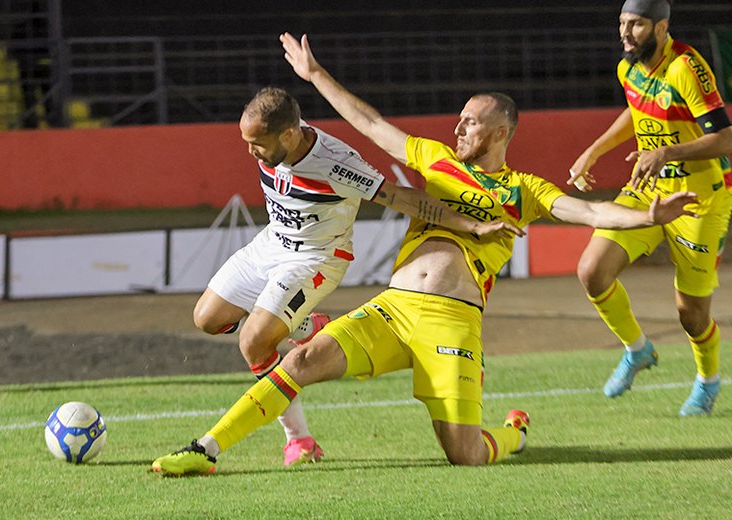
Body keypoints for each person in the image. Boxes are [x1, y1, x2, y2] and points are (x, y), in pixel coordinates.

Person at [150, 34, 698, 476]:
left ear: (500, 130)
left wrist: (647, 217)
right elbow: (371, 125)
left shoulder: (524, 190)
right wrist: (315, 76)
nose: (457, 126)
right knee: (297, 360)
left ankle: (515, 431)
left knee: (463, 453)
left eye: (470, 121)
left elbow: (589, 213)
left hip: (454, 326)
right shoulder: (437, 159)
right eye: (459, 119)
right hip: (394, 308)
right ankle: (206, 449)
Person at [191, 86, 525, 466]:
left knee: (253, 342)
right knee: (207, 319)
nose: (250, 151)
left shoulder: (337, 164)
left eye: (257, 144)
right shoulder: (275, 132)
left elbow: (403, 197)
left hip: (315, 258)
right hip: (271, 244)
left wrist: (468, 225)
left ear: (289, 134)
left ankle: (298, 440)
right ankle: (303, 327)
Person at [568, 0, 732, 415]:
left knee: (691, 316)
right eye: (622, 23)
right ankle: (637, 350)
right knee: (592, 270)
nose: (625, 32)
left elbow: (726, 138)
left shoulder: (686, 67)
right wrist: (593, 151)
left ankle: (708, 381)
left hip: (698, 199)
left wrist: (667, 152)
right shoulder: (629, 67)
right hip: (647, 192)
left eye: (636, 25)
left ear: (661, 27)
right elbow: (635, 110)